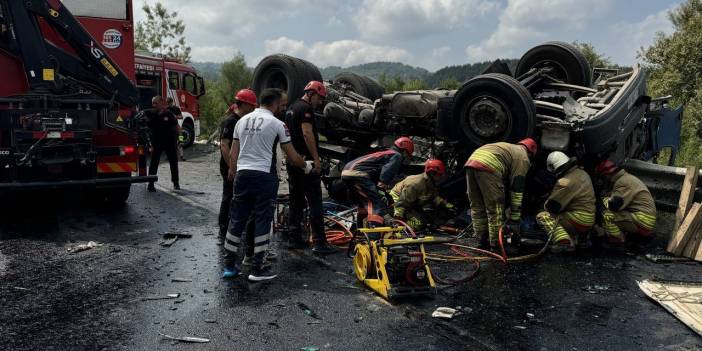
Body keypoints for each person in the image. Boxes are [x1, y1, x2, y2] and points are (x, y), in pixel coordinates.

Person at [223, 88, 310, 281]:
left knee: (236, 219)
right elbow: (291, 154)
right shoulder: (278, 124)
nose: (284, 108)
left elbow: (233, 153)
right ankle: (257, 269)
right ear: (275, 104)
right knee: (262, 219)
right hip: (264, 176)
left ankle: (229, 266)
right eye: (283, 105)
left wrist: (233, 172)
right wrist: (306, 166)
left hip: (242, 175)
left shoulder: (241, 121)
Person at [285, 81, 336, 254]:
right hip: (307, 163)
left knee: (296, 201)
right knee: (315, 202)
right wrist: (317, 159)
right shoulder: (306, 109)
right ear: (311, 94)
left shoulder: (291, 108)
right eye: (319, 98)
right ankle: (320, 243)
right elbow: (307, 133)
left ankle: (295, 238)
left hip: (293, 161)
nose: (320, 102)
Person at [465, 138, 537, 250]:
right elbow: (516, 188)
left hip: (472, 162)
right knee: (496, 208)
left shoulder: (510, 148)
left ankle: (481, 240)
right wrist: (515, 218)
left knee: (477, 207)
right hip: (488, 166)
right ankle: (496, 244)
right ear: (531, 153)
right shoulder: (523, 157)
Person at [341, 137, 414, 227]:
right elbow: (388, 171)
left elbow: (374, 171)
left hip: (347, 172)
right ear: (404, 151)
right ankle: (374, 236)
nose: (406, 159)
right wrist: (381, 188)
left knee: (364, 204)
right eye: (407, 156)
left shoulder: (386, 153)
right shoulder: (396, 155)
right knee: (377, 204)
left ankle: (359, 231)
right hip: (358, 174)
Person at [535, 151, 596, 253]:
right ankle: (581, 239)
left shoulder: (564, 182)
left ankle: (563, 242)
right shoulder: (583, 173)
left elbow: (552, 207)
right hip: (589, 218)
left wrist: (545, 201)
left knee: (543, 216)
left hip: (578, 220)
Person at [218, 89, 257, 238]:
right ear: (244, 104)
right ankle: (223, 227)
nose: (253, 108)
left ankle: (236, 225)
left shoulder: (244, 121)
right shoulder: (231, 121)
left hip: (240, 165)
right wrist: (231, 167)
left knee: (239, 197)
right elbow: (224, 145)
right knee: (228, 195)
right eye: (251, 105)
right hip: (230, 165)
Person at [594, 159, 657, 245]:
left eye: (603, 177)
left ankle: (617, 239)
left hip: (642, 219)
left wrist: (601, 199)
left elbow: (614, 205)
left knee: (606, 215)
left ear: (607, 175)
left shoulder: (622, 182)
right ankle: (631, 237)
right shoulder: (626, 178)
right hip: (643, 217)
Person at [390, 159, 453, 230]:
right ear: (432, 173)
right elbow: (401, 203)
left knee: (427, 220)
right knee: (418, 224)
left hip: (411, 203)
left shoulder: (431, 183)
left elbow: (434, 197)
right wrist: (398, 219)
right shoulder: (415, 184)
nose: (442, 177)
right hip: (396, 203)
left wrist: (448, 206)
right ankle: (402, 228)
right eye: (440, 174)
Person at [146, 96, 180, 191]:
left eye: (156, 103)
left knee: (173, 162)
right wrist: (150, 143)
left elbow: (177, 128)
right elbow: (147, 129)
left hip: (169, 142)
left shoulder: (169, 114)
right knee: (154, 163)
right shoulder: (150, 114)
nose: (154, 105)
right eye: (153, 103)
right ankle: (151, 184)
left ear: (161, 103)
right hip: (157, 142)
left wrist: (177, 141)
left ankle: (176, 183)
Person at [166, 97, 186, 161]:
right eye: (167, 103)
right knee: (169, 143)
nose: (168, 104)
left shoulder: (176, 108)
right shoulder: (166, 109)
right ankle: (169, 156)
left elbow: (181, 117)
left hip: (176, 126)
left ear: (172, 102)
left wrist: (175, 116)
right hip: (169, 128)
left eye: (169, 103)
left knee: (180, 141)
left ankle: (182, 156)